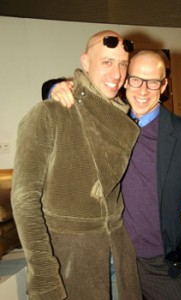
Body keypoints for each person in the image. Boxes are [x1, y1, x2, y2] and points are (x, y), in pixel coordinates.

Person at [44, 50, 181, 300]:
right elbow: (61, 93)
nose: (143, 90)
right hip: (112, 259)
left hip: (159, 263)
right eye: (135, 79)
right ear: (124, 80)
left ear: (164, 84)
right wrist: (55, 88)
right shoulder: (108, 121)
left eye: (153, 82)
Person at [11, 30, 143, 300]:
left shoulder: (125, 120)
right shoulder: (48, 114)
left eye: (122, 63)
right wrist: (44, 275)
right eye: (107, 61)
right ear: (86, 61)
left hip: (119, 256)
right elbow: (24, 200)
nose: (117, 73)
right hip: (69, 258)